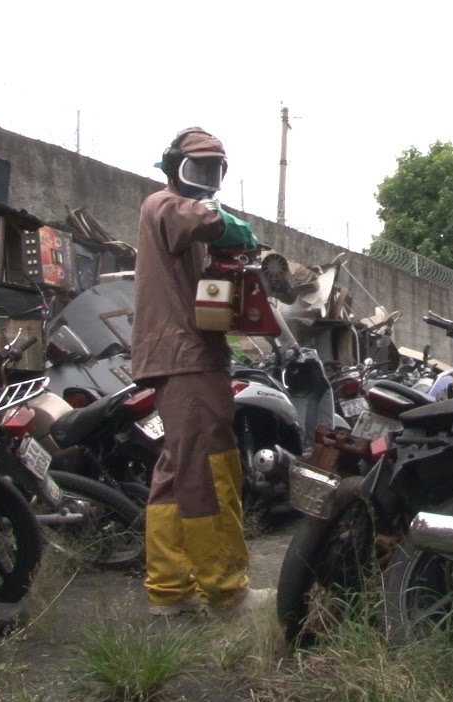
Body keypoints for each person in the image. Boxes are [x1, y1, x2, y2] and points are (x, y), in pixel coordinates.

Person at [130, 126, 271, 616]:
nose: (207, 178)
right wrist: (238, 228)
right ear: (175, 166)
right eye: (200, 166)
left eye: (215, 168)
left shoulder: (181, 220)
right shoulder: (166, 205)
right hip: (187, 356)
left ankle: (169, 590)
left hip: (182, 355)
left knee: (177, 471)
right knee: (211, 469)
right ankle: (225, 590)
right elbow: (205, 219)